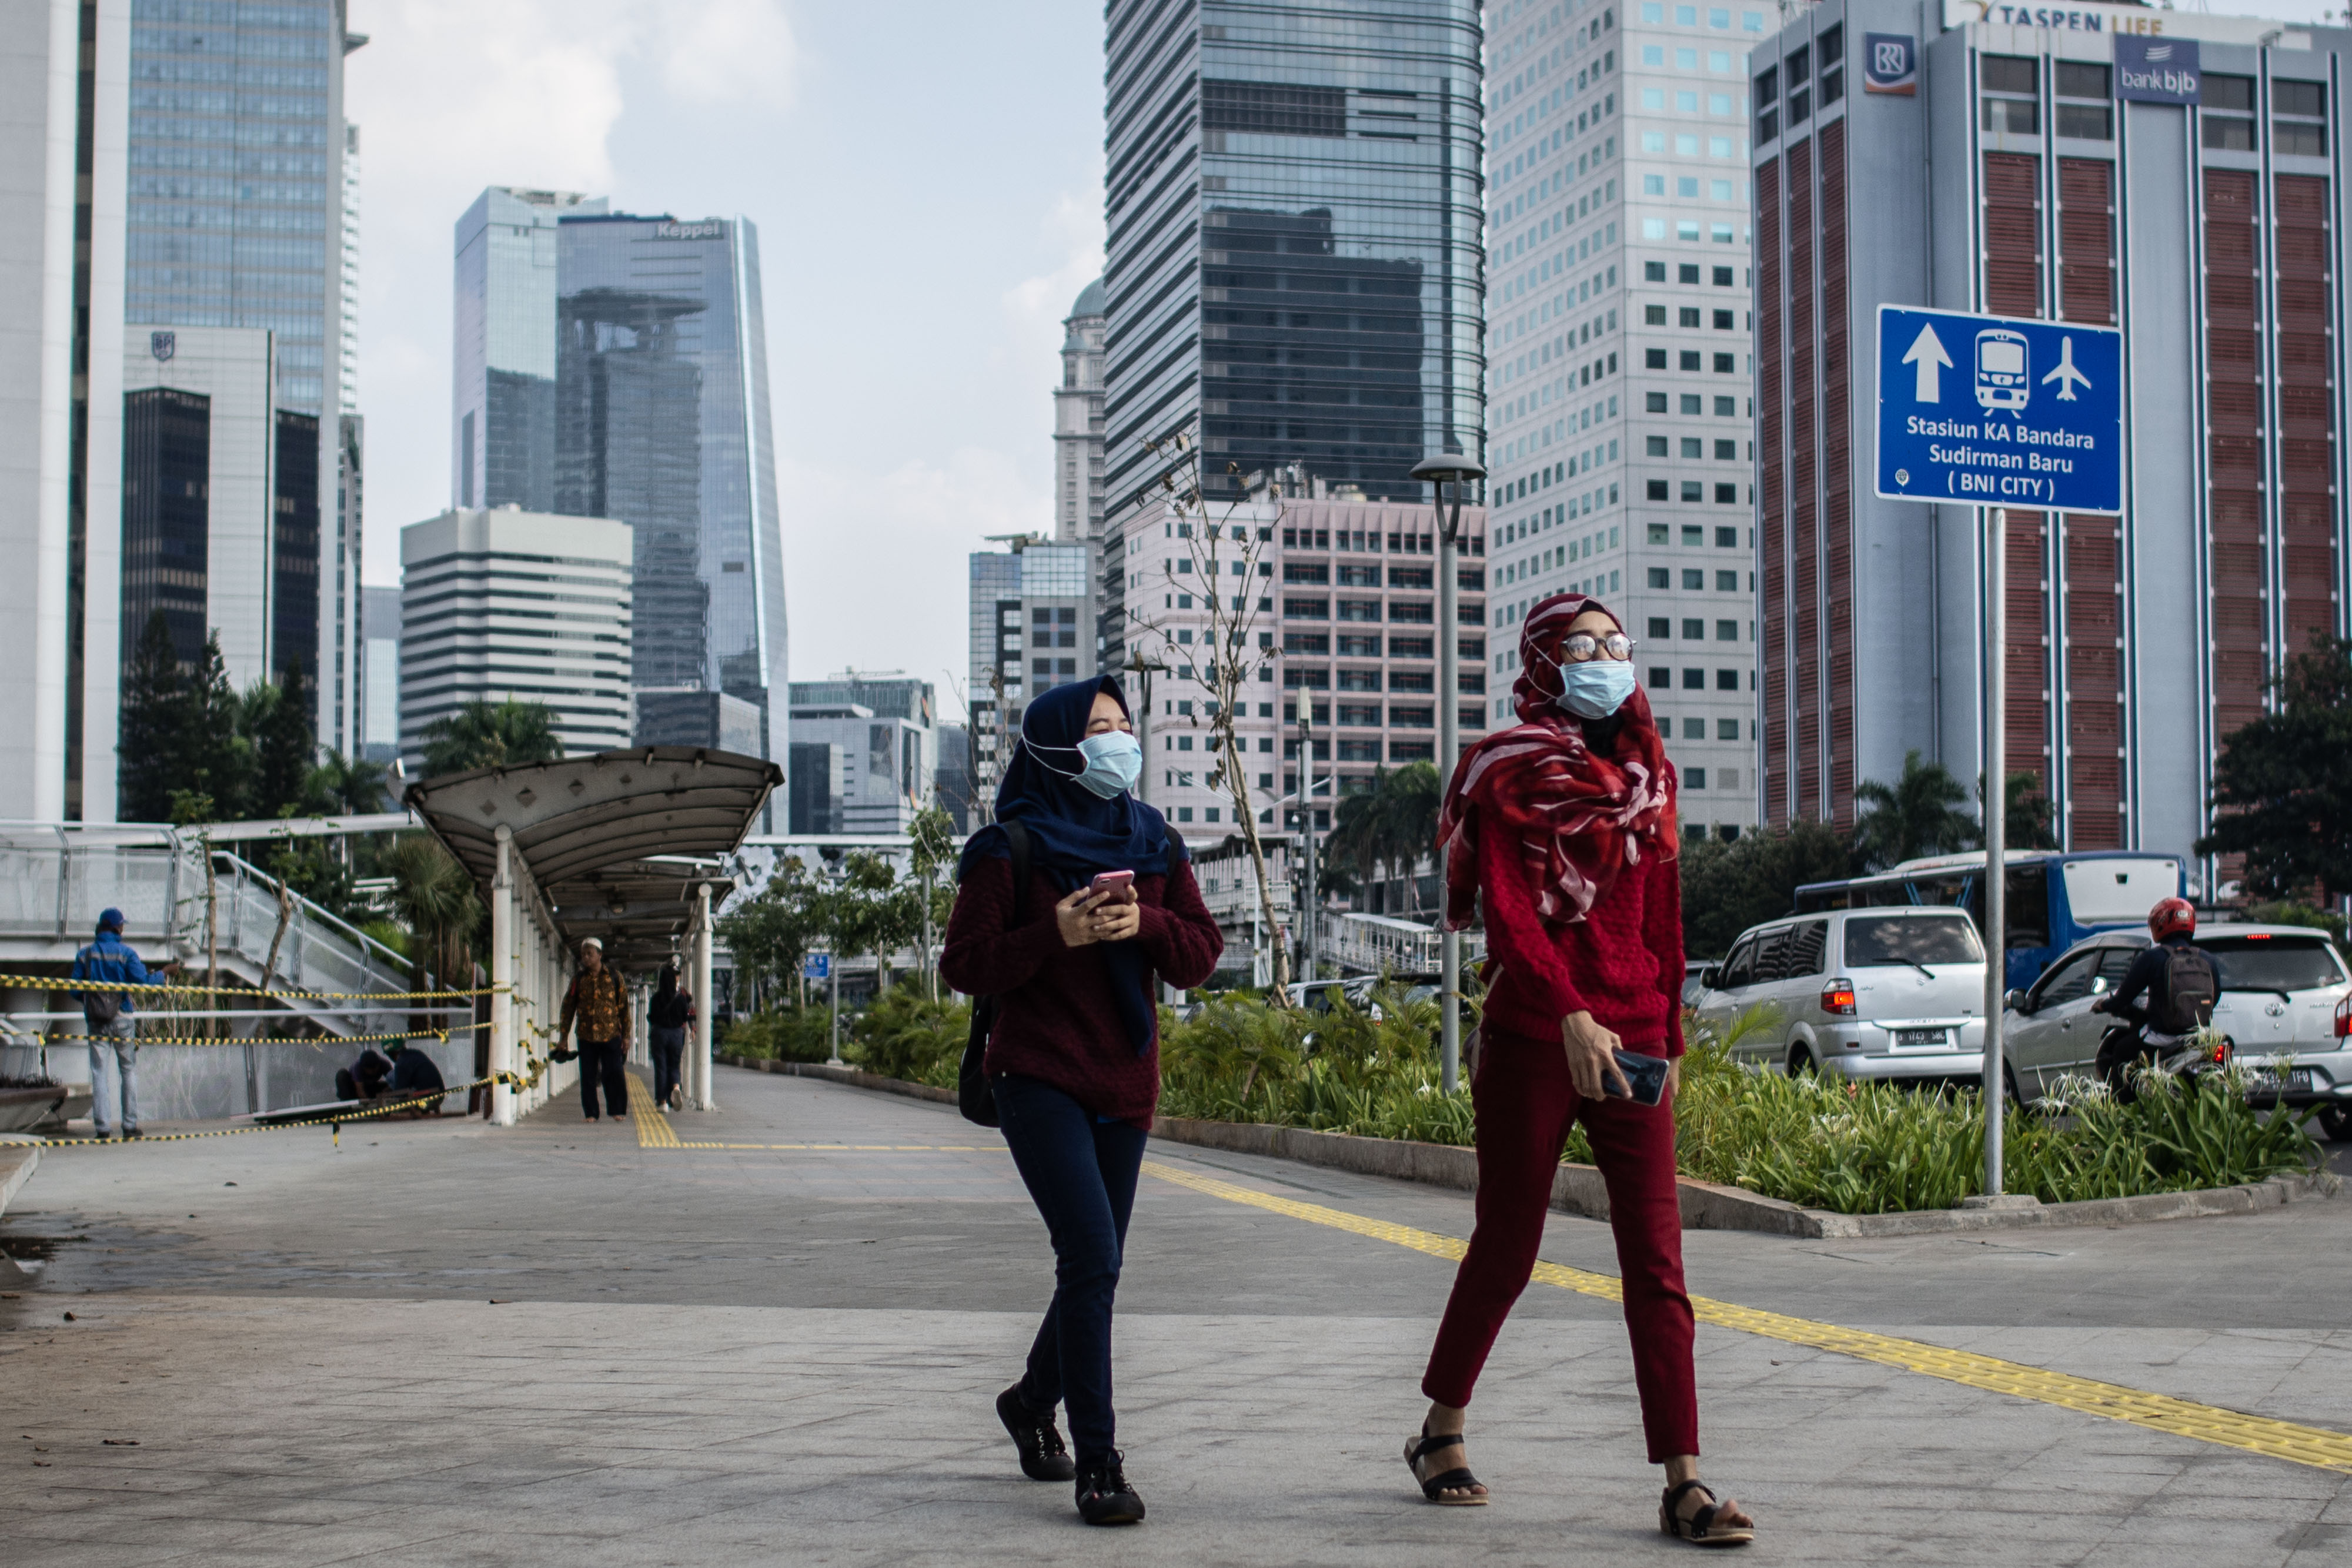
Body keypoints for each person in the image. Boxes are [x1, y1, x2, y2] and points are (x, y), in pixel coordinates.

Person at [1406, 594, 1755, 1547]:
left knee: (1657, 1261)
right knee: (1508, 1242)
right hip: (1535, 1034)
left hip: (1636, 1032)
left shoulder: (1651, 775)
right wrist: (1568, 1013)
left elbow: (1664, 914)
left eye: (1615, 642)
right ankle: (1441, 1428)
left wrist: (1670, 1038)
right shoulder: (1510, 769)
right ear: (1542, 661)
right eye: (1581, 644)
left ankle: (1685, 1483)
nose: (1604, 656)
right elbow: (1514, 913)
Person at [938, 676, 1222, 1528]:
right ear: (1058, 744)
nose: (1119, 741)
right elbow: (966, 963)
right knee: (1092, 1256)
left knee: (1093, 1268)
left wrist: (1146, 925)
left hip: (1127, 1084)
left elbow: (1201, 955)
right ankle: (1098, 1461)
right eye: (1099, 728)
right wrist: (1051, 933)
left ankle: (1030, 1401)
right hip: (1038, 1078)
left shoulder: (1155, 841)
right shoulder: (1008, 847)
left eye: (1125, 726)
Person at [2091, 897, 2217, 1095]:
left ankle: (2123, 1109)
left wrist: (2103, 1006)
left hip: (2161, 1039)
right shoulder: (2207, 959)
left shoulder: (2152, 958)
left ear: (2159, 924)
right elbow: (2215, 997)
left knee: (2122, 1050)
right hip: (2199, 1039)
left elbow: (2124, 998)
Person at [69, 908, 156, 1141]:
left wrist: (93, 1002)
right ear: (118, 928)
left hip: (96, 1020)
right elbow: (143, 982)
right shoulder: (127, 953)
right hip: (122, 1017)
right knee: (127, 1070)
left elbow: (74, 989)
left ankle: (103, 1129)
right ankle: (130, 1126)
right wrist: (164, 974)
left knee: (99, 1073)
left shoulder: (84, 955)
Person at [558, 937, 632, 1122]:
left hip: (611, 1034)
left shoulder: (615, 977)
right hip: (586, 1034)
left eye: (590, 954)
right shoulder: (579, 980)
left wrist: (627, 1036)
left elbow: (624, 1008)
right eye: (583, 954)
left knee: (614, 1072)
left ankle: (617, 1110)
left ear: (600, 955)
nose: (586, 958)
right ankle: (591, 1113)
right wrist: (564, 1036)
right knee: (588, 1075)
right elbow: (568, 1007)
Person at [648, 963, 695, 1112]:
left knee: (661, 1067)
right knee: (674, 1065)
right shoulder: (681, 999)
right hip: (676, 1035)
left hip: (660, 1034)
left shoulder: (656, 998)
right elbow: (684, 1017)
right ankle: (676, 1086)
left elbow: (652, 1018)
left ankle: (662, 1102)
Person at [385, 1041, 449, 1114]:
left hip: (424, 1100)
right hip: (439, 1098)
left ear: (391, 1054)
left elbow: (400, 1092)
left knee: (390, 1076)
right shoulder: (416, 1053)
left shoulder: (401, 1063)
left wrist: (392, 1104)